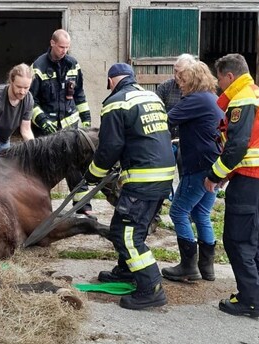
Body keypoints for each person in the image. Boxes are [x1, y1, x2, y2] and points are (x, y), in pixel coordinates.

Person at [85, 63, 175, 310]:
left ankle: (151, 288)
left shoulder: (116, 102)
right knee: (134, 228)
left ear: (111, 81)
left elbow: (110, 146)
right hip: (163, 176)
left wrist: (93, 174)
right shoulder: (151, 97)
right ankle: (126, 271)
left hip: (143, 179)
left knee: (127, 235)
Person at [205, 53, 259, 317]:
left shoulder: (243, 98)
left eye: (220, 80)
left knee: (238, 241)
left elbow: (237, 145)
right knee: (258, 243)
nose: (219, 85)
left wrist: (214, 175)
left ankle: (250, 301)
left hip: (249, 180)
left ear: (229, 76)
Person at [161, 61, 223, 282]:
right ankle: (207, 268)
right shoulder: (211, 98)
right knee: (201, 214)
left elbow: (166, 119)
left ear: (194, 79)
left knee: (178, 212)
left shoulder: (196, 99)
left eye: (182, 78)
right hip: (213, 165)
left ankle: (188, 267)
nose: (178, 81)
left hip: (197, 166)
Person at [30, 29, 94, 217]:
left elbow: (79, 93)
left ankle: (83, 206)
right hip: (46, 127)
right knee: (44, 167)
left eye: (67, 47)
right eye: (61, 47)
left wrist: (86, 118)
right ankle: (42, 208)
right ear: (52, 43)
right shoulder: (39, 66)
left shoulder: (73, 64)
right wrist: (41, 119)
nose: (64, 51)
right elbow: (31, 99)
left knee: (75, 165)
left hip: (69, 126)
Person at [148, 53, 198, 234]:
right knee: (161, 181)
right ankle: (153, 215)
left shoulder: (197, 90)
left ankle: (189, 214)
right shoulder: (165, 88)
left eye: (180, 72)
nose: (176, 75)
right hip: (167, 140)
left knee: (187, 178)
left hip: (188, 142)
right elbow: (155, 112)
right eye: (175, 71)